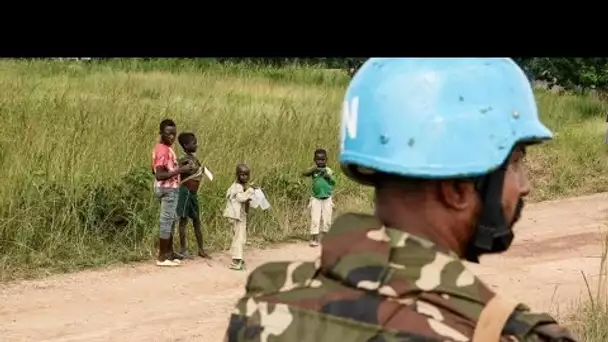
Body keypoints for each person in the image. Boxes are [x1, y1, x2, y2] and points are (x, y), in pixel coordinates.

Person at [223, 58, 579, 341]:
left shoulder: (264, 306)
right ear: (456, 189)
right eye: (515, 163)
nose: (525, 186)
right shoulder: (500, 333)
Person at [152, 119, 196, 267]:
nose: (171, 137)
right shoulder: (163, 150)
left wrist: (180, 166)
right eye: (168, 134)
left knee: (171, 220)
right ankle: (162, 256)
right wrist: (180, 170)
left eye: (174, 134)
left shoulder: (164, 148)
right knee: (166, 222)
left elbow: (160, 168)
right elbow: (159, 174)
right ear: (161, 133)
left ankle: (169, 253)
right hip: (167, 189)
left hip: (171, 188)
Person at [175, 132, 212, 259]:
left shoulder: (194, 159)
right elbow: (177, 170)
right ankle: (183, 248)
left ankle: (201, 249)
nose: (197, 145)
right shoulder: (184, 159)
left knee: (196, 220)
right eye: (194, 143)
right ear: (185, 145)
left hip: (193, 194)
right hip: (185, 192)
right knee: (183, 220)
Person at [222, 164, 257, 271]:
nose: (245, 177)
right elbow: (241, 198)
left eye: (247, 175)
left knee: (240, 237)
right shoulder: (236, 186)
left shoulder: (241, 187)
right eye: (242, 175)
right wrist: (251, 190)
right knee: (239, 238)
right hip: (236, 217)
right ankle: (236, 261)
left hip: (240, 216)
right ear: (237, 175)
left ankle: (238, 258)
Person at [301, 148, 336, 247]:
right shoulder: (314, 171)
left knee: (327, 220)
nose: (320, 161)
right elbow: (304, 173)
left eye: (323, 159)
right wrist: (314, 169)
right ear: (314, 160)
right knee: (315, 219)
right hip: (316, 198)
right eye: (318, 159)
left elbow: (334, 182)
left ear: (326, 160)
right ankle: (314, 239)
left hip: (327, 198)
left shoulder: (329, 171)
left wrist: (328, 176)